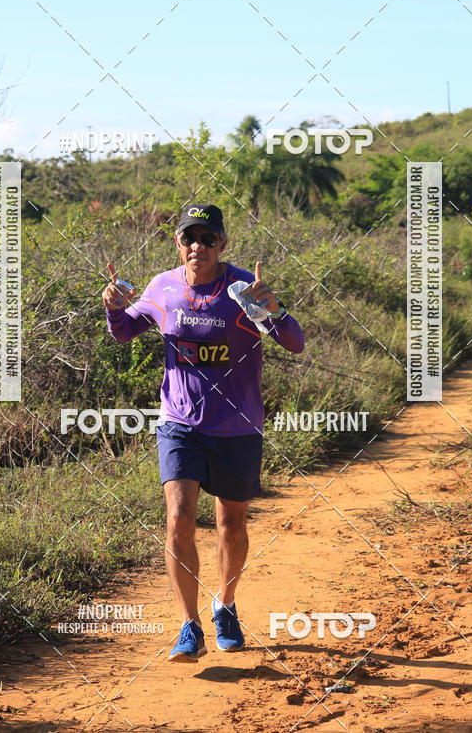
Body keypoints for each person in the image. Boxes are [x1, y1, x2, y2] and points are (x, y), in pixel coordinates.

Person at [102, 204, 304, 662]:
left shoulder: (241, 291)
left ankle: (225, 606)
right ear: (178, 243)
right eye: (189, 238)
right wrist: (114, 308)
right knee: (179, 517)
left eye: (208, 239)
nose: (198, 247)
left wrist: (272, 308)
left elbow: (294, 342)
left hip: (237, 425)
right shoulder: (162, 286)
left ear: (222, 244)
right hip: (180, 423)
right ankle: (188, 625)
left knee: (231, 525)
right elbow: (125, 332)